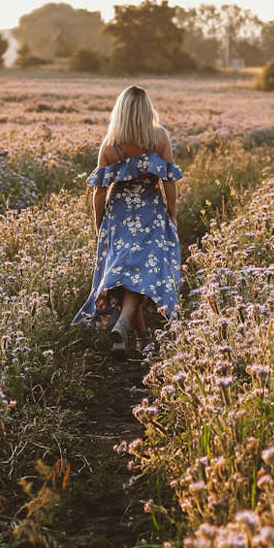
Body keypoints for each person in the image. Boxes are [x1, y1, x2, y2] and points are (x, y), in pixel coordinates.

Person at [72, 85, 182, 357]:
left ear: (120, 111)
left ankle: (137, 336)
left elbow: (98, 191)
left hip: (118, 215)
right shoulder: (159, 137)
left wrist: (100, 225)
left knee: (127, 276)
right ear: (146, 110)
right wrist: (172, 214)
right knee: (142, 273)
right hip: (150, 212)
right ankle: (129, 328)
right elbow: (169, 182)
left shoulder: (111, 145)